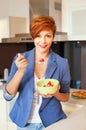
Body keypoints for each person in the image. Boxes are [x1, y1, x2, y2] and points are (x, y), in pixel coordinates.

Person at [3, 15, 71, 130]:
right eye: (38, 36)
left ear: (53, 37)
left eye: (48, 36)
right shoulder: (20, 59)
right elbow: (7, 96)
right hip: (25, 123)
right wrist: (20, 71)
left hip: (51, 122)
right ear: (33, 37)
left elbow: (66, 96)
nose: (43, 41)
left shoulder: (62, 63)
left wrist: (55, 93)